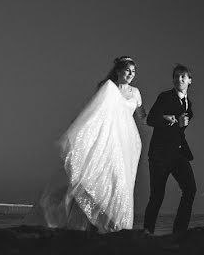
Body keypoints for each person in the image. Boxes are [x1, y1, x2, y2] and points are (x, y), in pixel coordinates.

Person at [27, 56, 146, 232]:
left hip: (127, 142)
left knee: (120, 181)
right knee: (97, 177)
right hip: (108, 139)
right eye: (127, 70)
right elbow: (93, 112)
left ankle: (116, 223)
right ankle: (91, 222)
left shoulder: (135, 92)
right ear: (119, 71)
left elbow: (142, 116)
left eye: (133, 71)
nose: (131, 74)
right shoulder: (108, 88)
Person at [143, 65, 196, 235]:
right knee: (157, 197)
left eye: (182, 77)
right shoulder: (165, 97)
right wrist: (167, 118)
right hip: (159, 155)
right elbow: (151, 119)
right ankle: (147, 233)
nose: (178, 79)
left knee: (190, 190)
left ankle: (179, 232)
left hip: (178, 154)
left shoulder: (189, 104)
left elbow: (178, 130)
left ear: (189, 80)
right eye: (175, 76)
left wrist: (181, 125)